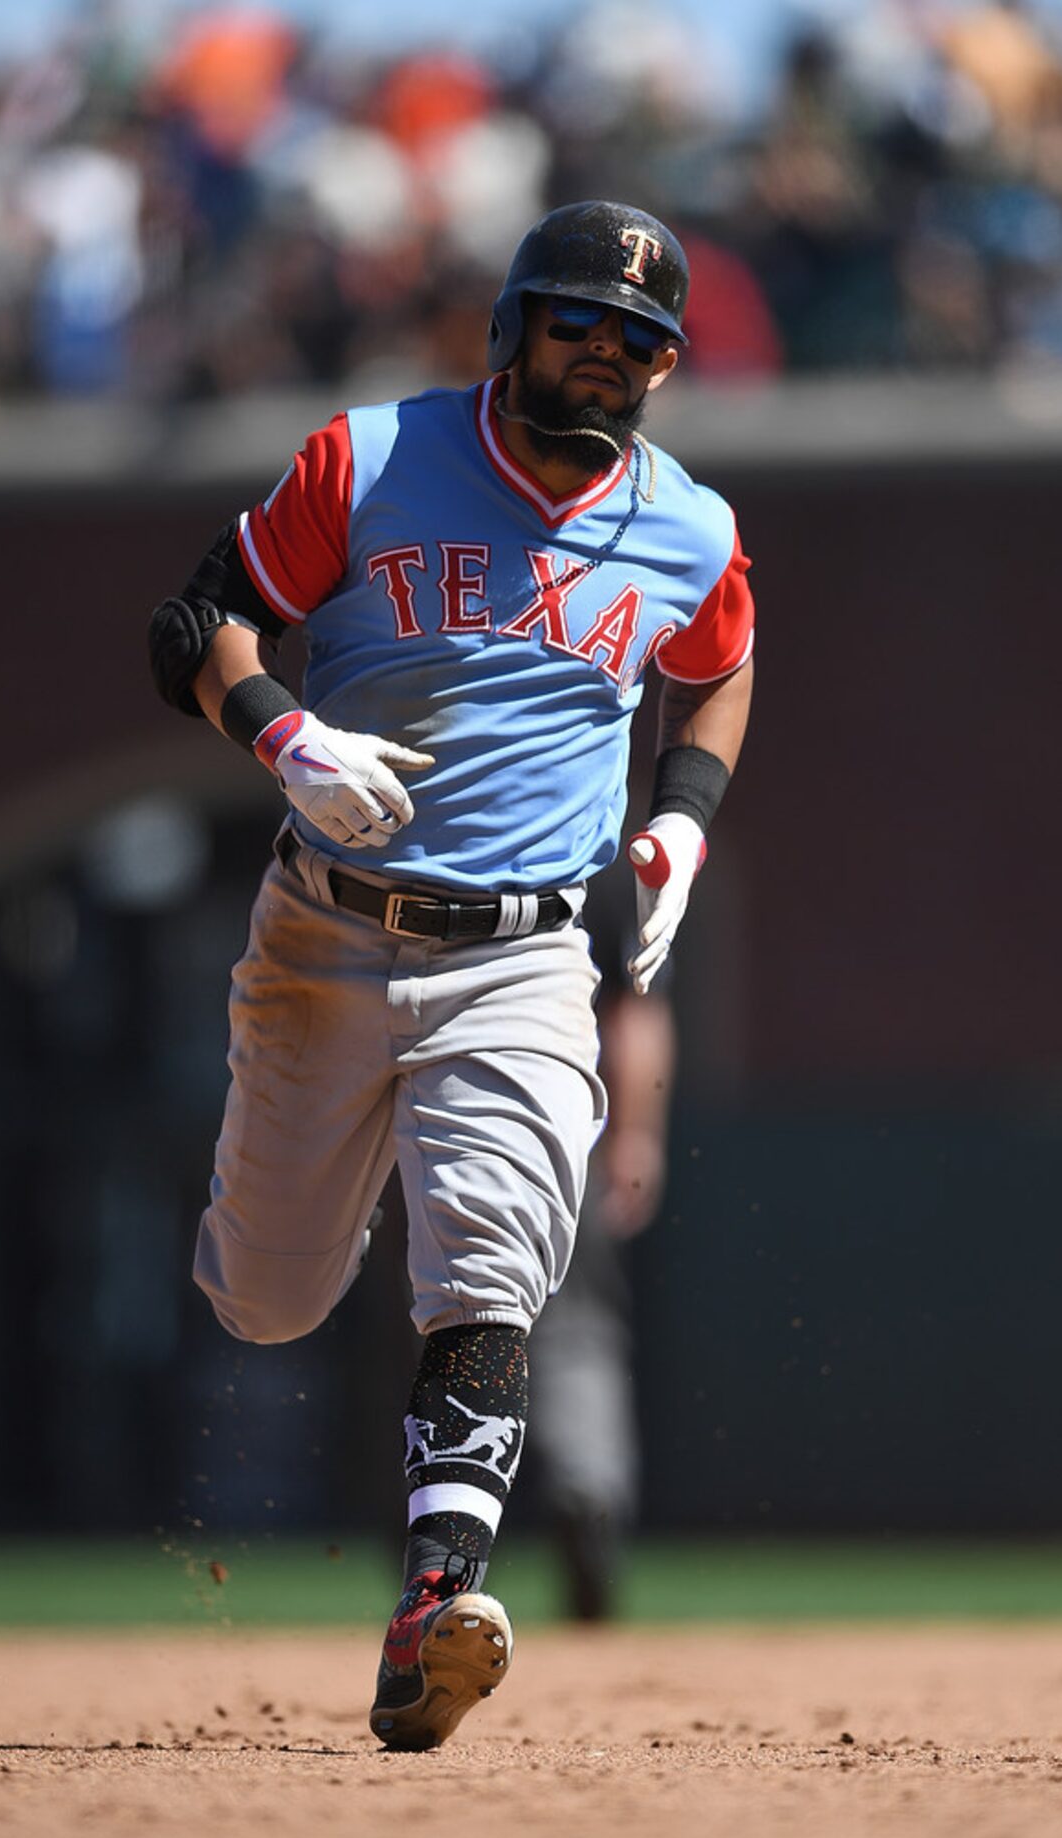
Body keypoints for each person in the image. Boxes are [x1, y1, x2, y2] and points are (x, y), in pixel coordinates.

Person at [148, 200, 755, 1751]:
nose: (606, 354)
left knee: (493, 1257)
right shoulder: (370, 456)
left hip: (527, 952)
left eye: (639, 340)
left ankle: (435, 1597)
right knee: (267, 1297)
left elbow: (718, 659)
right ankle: (320, 1220)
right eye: (577, 322)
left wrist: (675, 827)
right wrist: (283, 734)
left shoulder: (686, 522)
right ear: (511, 326)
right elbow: (198, 615)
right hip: (326, 932)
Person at [529, 858, 675, 1621]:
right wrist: (636, 1135)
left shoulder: (440, 817)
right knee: (575, 1330)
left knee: (434, 1319)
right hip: (570, 1123)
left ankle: (436, 1543)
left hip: (438, 1111)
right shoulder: (609, 861)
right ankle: (587, 1495)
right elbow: (636, 1010)